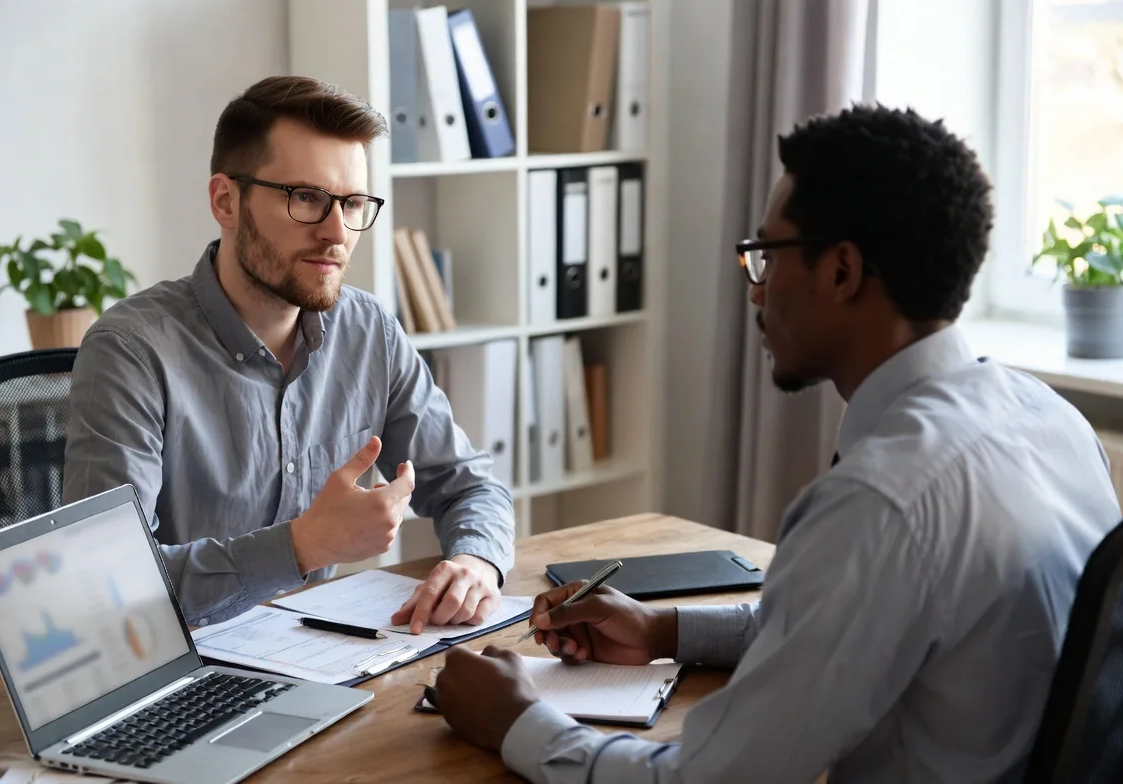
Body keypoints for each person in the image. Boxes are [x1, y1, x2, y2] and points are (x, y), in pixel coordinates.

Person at [427, 104, 1123, 782]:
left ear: (842, 271)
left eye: (765, 256)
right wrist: (665, 631)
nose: (757, 294)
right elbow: (859, 626)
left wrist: (515, 719)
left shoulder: (881, 500)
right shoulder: (1050, 421)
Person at [62, 75, 514, 631]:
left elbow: (468, 485)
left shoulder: (368, 331)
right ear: (226, 201)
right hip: (180, 679)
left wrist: (477, 561)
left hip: (318, 657)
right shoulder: (131, 352)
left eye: (352, 203)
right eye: (306, 198)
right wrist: (302, 545)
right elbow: (106, 589)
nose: (337, 232)